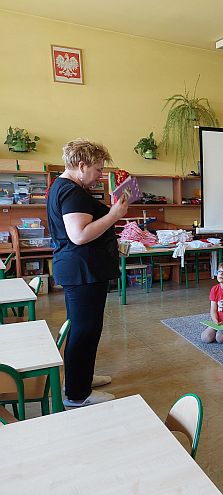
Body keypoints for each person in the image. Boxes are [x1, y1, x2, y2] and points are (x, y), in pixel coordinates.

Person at [47, 139, 128, 407]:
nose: (100, 175)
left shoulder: (65, 187)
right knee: (84, 330)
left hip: (82, 270)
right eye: (97, 169)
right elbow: (79, 235)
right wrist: (114, 215)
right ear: (81, 166)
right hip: (83, 272)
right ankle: (77, 394)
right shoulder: (72, 192)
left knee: (85, 328)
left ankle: (79, 379)